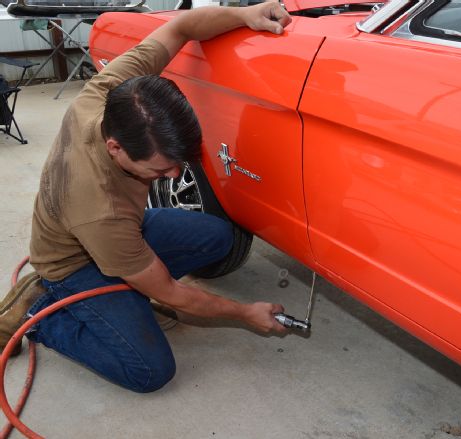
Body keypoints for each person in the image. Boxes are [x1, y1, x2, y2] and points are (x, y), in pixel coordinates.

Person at [0, 2, 292, 393]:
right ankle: (41, 313)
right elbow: (173, 295)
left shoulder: (111, 94)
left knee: (218, 237)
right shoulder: (98, 209)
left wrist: (244, 15)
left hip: (124, 231)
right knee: (149, 371)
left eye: (176, 165)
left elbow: (183, 25)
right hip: (73, 264)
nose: (173, 177)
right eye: (159, 170)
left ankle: (127, 291)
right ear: (116, 147)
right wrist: (244, 312)